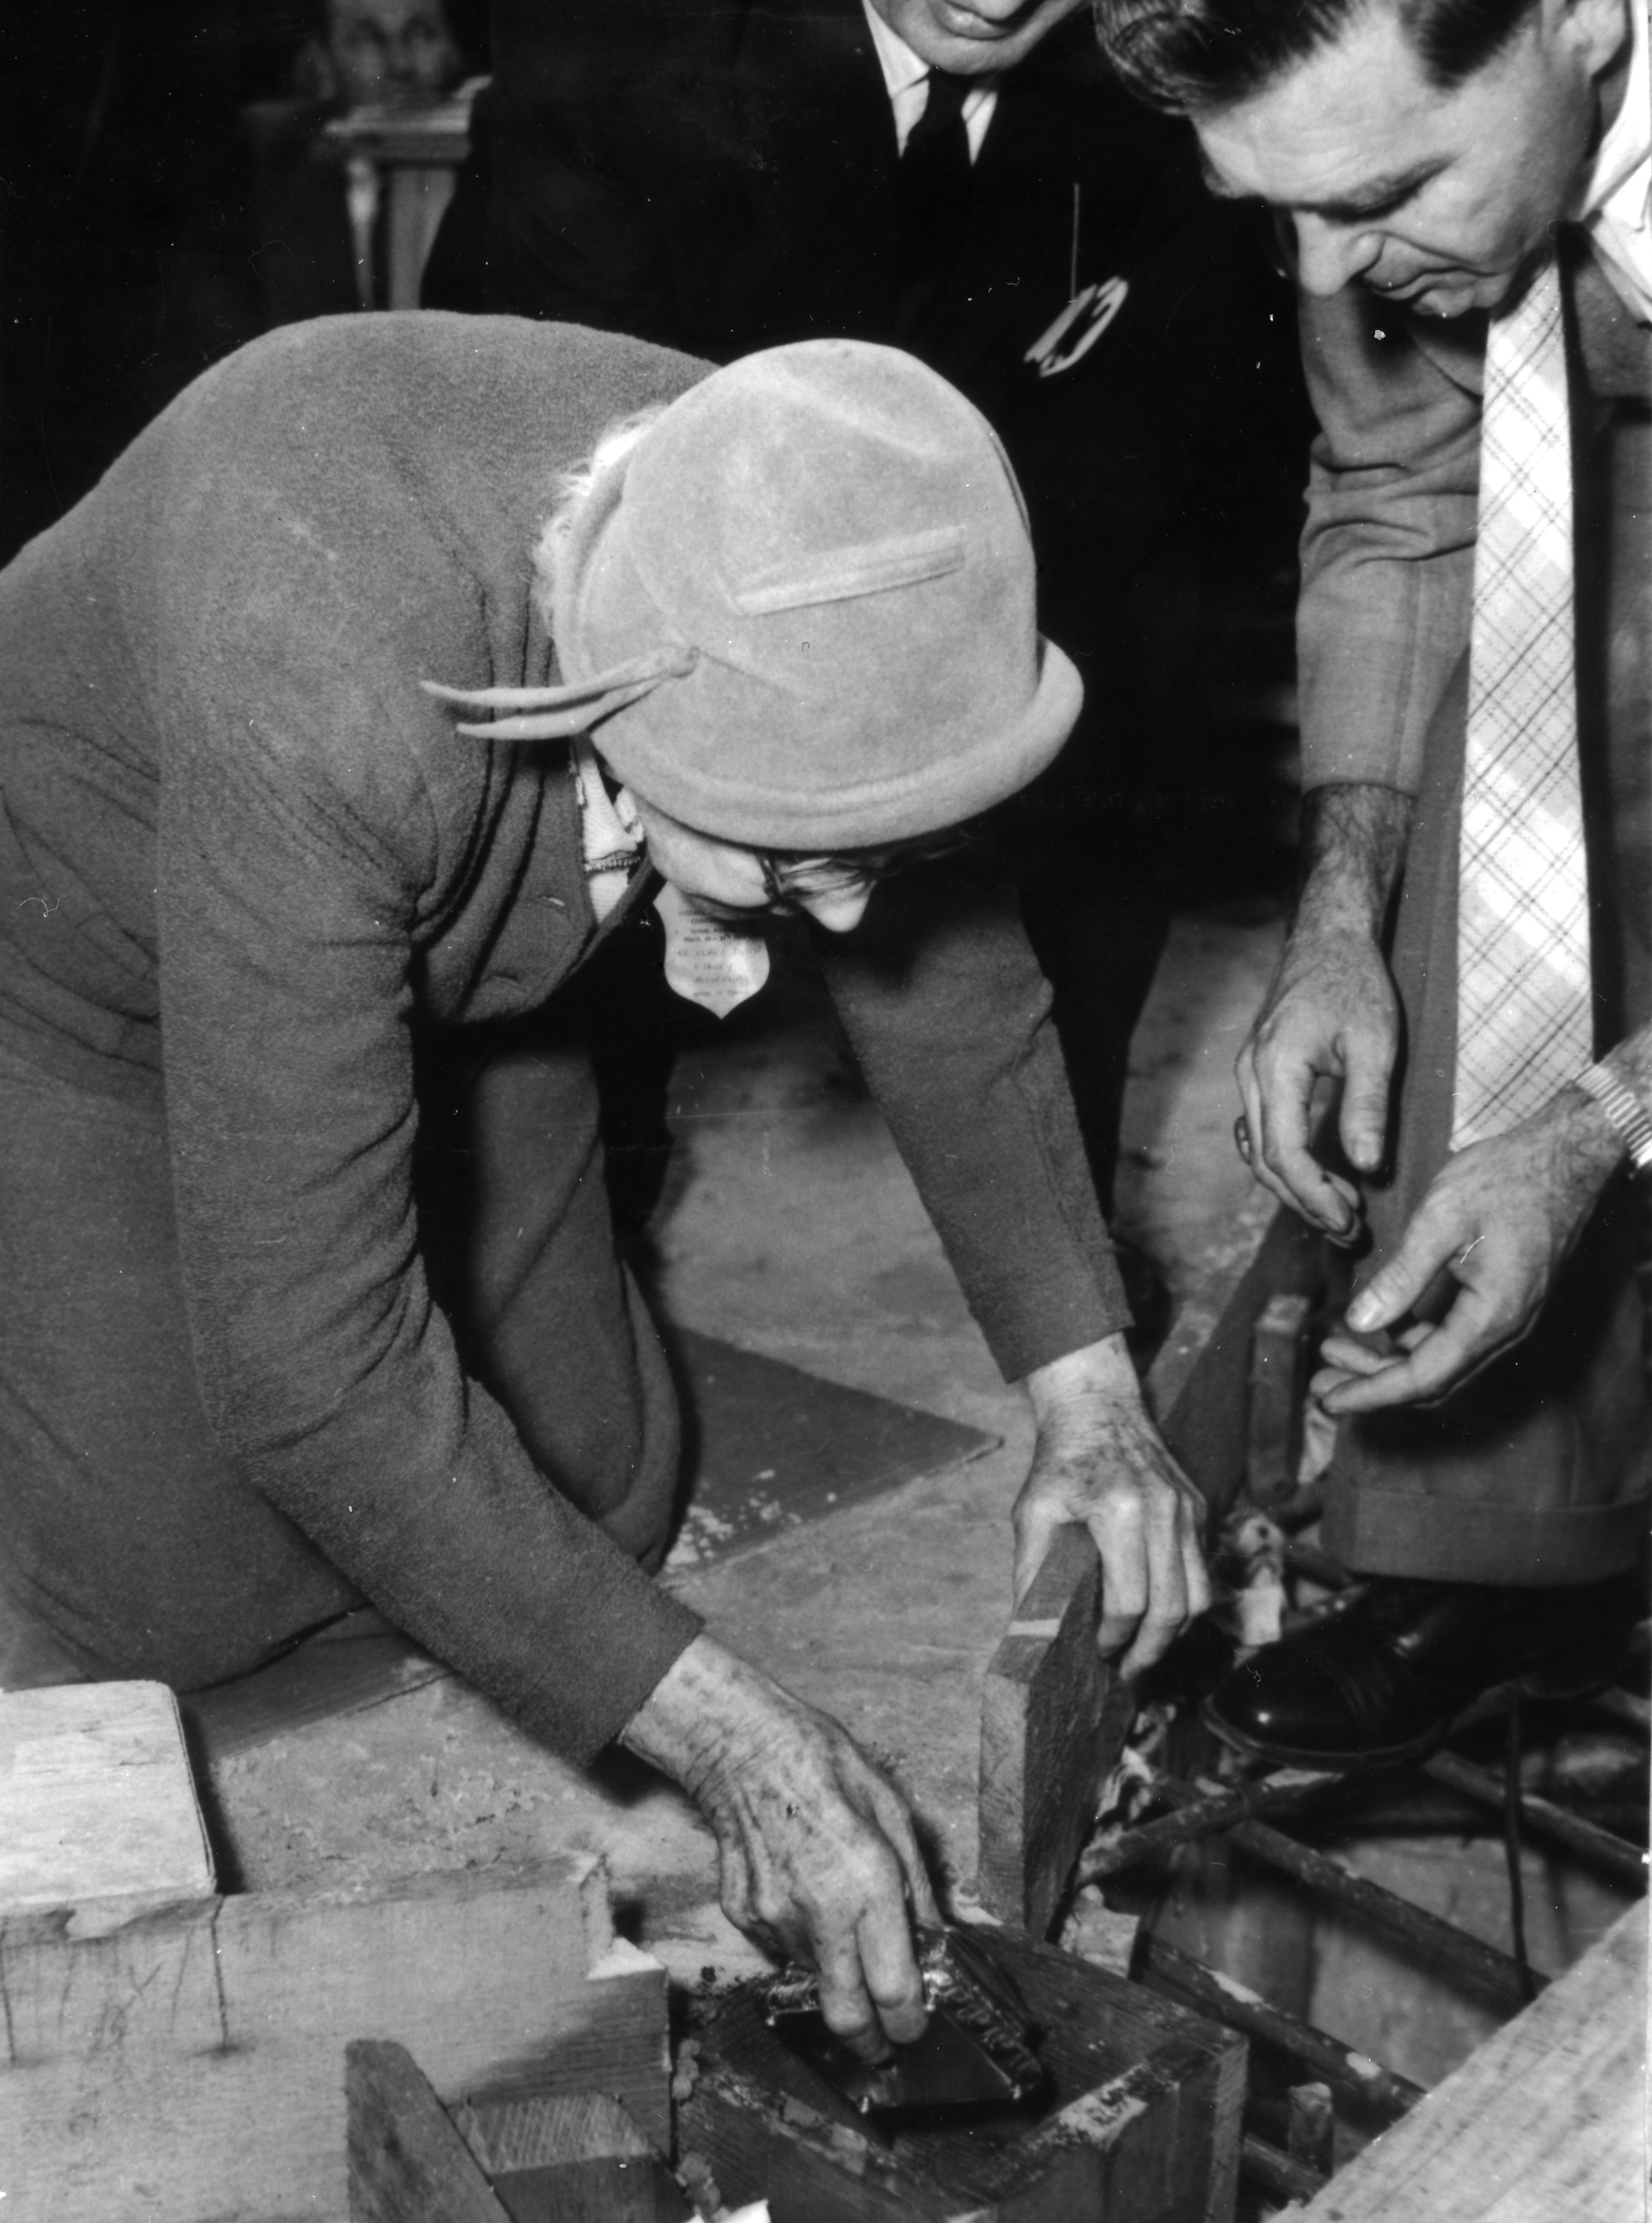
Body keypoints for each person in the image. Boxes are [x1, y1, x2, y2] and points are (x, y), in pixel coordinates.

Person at [0, 318, 1210, 2051]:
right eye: (798, 862)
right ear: (616, 692)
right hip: (92, 978)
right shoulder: (313, 651)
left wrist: (1087, 1398)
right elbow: (313, 1385)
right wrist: (746, 1743)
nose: (850, 917)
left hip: (471, 942)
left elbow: (943, 975)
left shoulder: (795, 498)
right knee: (184, 1607)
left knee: (603, 1490)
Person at [420, 0, 1303, 1223]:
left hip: (1000, 568)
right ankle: (596, 1215)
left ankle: (1063, 1242)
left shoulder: (1163, 90)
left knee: (1143, 655)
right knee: (571, 897)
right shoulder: (617, 59)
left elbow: (1173, 449)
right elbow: (575, 462)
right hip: (654, 537)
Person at [1092, 0, 1650, 1764]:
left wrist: (1596, 1124)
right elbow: (1404, 492)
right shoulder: (1357, 191)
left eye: (1381, 190)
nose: (1324, 263)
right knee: (1497, 865)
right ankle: (1510, 1560)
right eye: (1278, 209)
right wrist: (1338, 916)